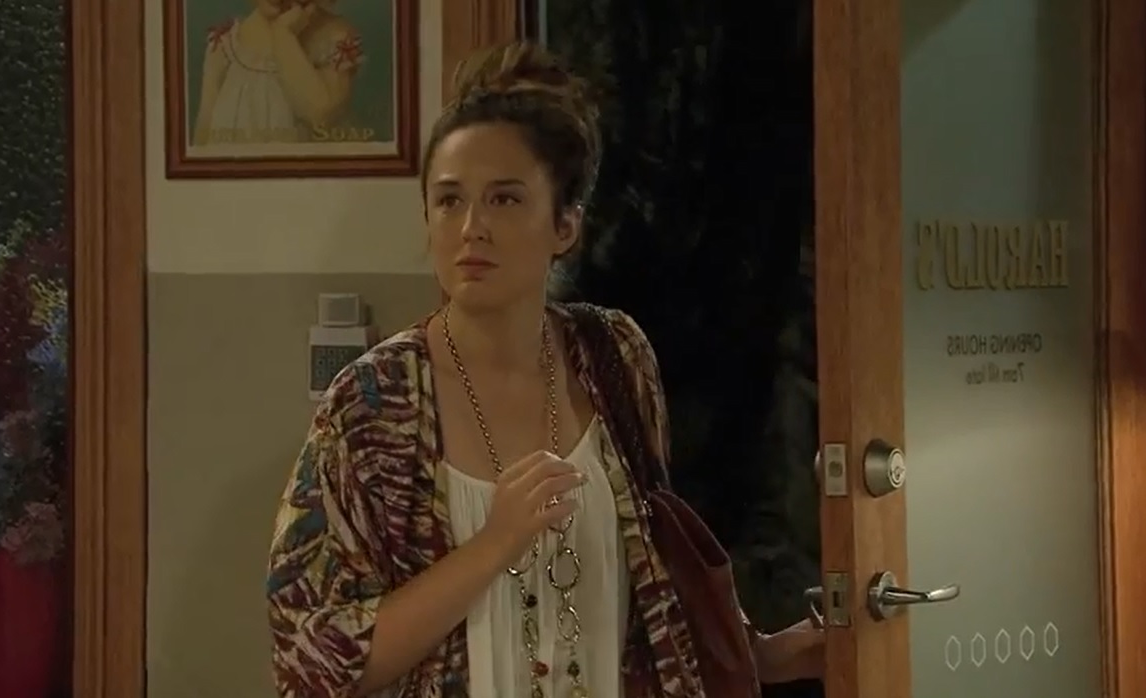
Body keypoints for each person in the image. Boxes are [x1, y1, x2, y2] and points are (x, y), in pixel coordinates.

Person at [267, 41, 824, 697]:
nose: (471, 227)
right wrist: (493, 544)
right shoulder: (372, 405)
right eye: (449, 201)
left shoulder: (614, 357)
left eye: (504, 200)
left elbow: (652, 587)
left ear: (565, 226)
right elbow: (314, 660)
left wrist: (763, 656)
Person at [192, 0, 361, 146]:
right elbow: (203, 139)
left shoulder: (333, 36)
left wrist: (284, 34)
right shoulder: (224, 47)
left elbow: (320, 115)